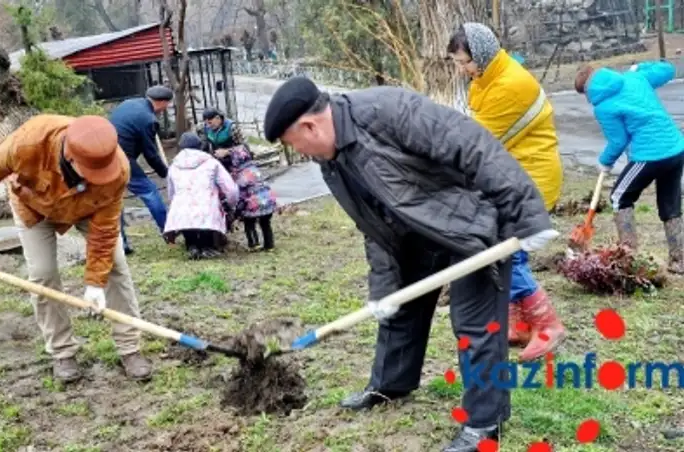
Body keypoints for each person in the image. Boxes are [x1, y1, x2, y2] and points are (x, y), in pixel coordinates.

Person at [263, 76, 559, 452]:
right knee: (399, 307)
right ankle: (392, 384)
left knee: (474, 323)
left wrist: (527, 216)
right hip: (418, 233)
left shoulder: (387, 111)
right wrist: (383, 291)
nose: (300, 151)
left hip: (472, 224)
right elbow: (373, 228)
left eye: (294, 143)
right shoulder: (332, 162)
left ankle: (485, 423)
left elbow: (474, 146)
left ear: (309, 126)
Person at [0, 115, 153, 383]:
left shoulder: (117, 169)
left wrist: (95, 283)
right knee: (43, 273)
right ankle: (62, 352)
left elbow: (105, 231)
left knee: (115, 266)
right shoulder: (27, 143)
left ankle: (130, 348)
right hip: (34, 208)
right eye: (93, 172)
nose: (100, 177)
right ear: (70, 157)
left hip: (89, 209)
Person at [447, 22, 566, 361]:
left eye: (464, 61)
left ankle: (548, 325)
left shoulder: (509, 85)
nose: (462, 69)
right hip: (513, 174)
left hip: (532, 177)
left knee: (508, 251)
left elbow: (476, 142)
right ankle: (518, 322)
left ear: (481, 55)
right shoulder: (485, 79)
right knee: (510, 248)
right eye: (457, 62)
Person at [575, 61, 684, 274]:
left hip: (649, 155)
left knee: (618, 198)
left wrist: (605, 162)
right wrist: (640, 67)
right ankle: (679, 260)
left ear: (587, 90)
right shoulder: (634, 78)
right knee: (670, 203)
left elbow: (618, 141)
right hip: (676, 148)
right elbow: (668, 70)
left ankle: (628, 258)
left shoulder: (603, 106)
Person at [109, 85, 174, 255]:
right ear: (161, 103)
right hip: (121, 159)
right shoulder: (148, 119)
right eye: (167, 104)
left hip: (105, 155)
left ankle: (121, 244)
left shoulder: (129, 103)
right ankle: (169, 232)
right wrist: (167, 174)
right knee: (150, 192)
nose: (166, 109)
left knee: (115, 201)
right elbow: (151, 154)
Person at [163, 132, 239, 260]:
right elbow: (230, 188)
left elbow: (171, 192)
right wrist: (232, 204)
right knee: (207, 211)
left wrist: (173, 206)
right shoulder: (211, 163)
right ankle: (206, 247)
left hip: (182, 210)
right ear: (199, 146)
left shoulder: (174, 166)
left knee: (186, 210)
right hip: (207, 209)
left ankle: (192, 245)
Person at [220, 145, 277, 250]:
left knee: (249, 222)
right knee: (265, 223)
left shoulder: (240, 175)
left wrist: (238, 211)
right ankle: (269, 245)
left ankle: (254, 244)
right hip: (268, 199)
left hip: (254, 203)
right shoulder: (254, 168)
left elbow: (240, 195)